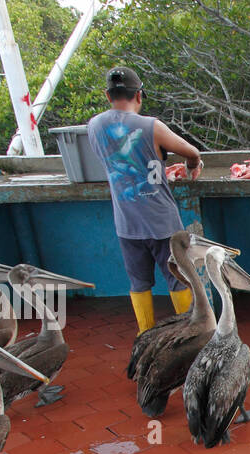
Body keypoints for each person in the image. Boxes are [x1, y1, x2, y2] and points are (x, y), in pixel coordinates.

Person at [87, 66, 203, 335]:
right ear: (139, 95)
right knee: (177, 278)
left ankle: (145, 336)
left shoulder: (94, 126)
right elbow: (191, 151)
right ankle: (187, 334)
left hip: (126, 222)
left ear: (108, 95)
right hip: (162, 221)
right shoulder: (151, 126)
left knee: (138, 283)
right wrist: (193, 164)